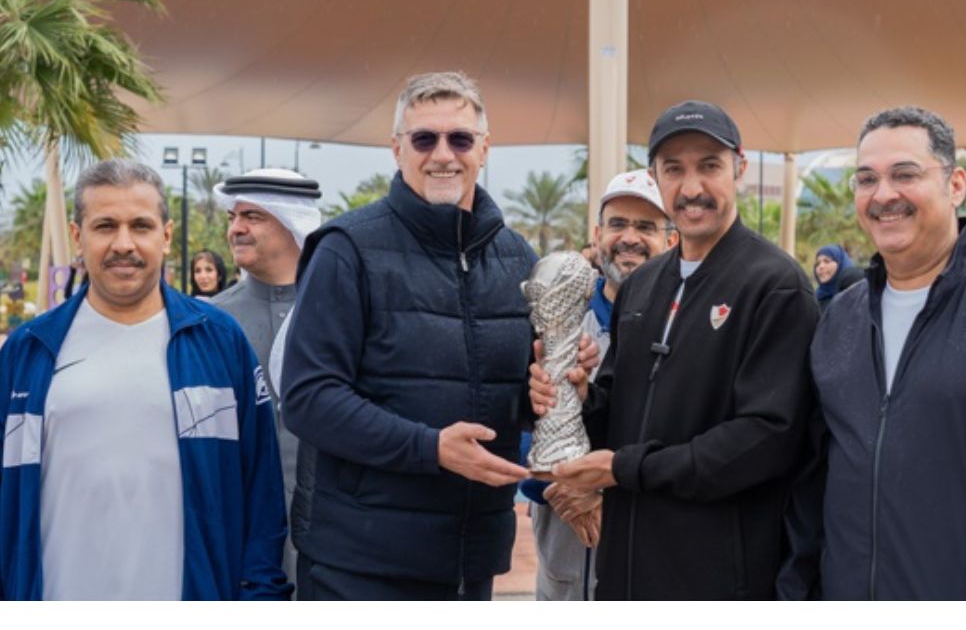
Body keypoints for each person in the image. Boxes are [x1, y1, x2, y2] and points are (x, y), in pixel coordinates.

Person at [280, 71, 597, 601]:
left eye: (460, 139)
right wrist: (430, 449)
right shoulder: (346, 249)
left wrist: (551, 391)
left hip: (470, 563)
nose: (443, 154)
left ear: (484, 149)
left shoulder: (517, 257)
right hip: (360, 563)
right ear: (397, 149)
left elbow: (511, 394)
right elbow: (309, 398)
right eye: (425, 139)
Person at [777, 106, 966, 600]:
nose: (883, 194)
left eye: (905, 174)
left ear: (955, 184)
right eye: (866, 179)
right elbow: (814, 475)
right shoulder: (839, 319)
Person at [530, 100, 820, 599]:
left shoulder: (775, 285)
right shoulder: (642, 285)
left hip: (720, 582)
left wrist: (626, 469)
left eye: (709, 166)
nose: (691, 188)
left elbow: (766, 439)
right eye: (673, 169)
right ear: (655, 176)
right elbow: (619, 411)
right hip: (625, 576)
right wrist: (579, 399)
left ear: (739, 169)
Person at [0, 159, 289, 600]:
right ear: (78, 236)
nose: (123, 244)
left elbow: (261, 491)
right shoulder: (29, 351)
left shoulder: (219, 342)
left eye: (140, 225)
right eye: (105, 226)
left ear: (166, 236)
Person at [521, 169, 676, 601]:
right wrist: (562, 484)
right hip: (566, 524)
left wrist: (610, 485)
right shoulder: (558, 316)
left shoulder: (686, 322)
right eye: (617, 224)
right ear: (597, 234)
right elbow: (527, 424)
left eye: (645, 227)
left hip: (652, 519)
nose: (630, 238)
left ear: (671, 240)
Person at [211, 167, 322, 589]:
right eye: (232, 217)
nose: (236, 229)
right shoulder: (210, 321)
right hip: (237, 532)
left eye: (252, 216)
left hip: (331, 535)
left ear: (293, 222)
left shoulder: (341, 310)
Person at [812, 244, 855, 311]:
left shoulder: (855, 296)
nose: (821, 266)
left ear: (840, 264)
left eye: (827, 261)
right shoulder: (815, 299)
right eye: (818, 263)